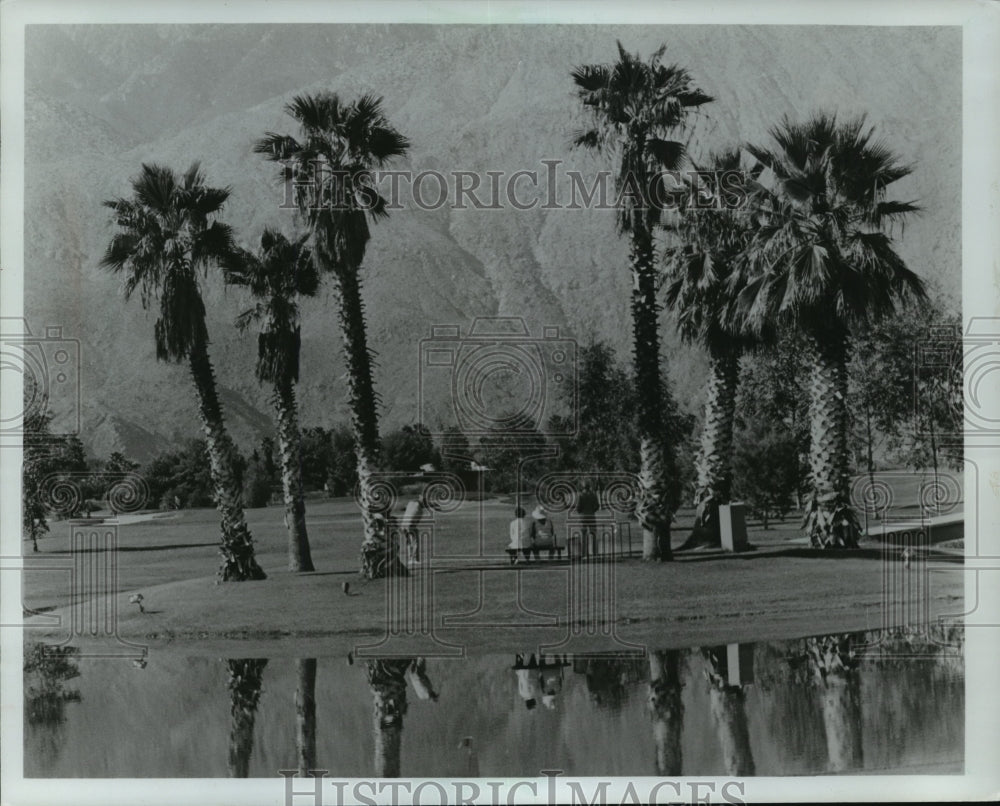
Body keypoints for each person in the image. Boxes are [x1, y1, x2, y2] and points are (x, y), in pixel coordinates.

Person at [401, 489, 429, 566]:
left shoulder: (410, 503)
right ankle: (415, 559)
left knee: (409, 543)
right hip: (410, 525)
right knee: (415, 542)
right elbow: (415, 521)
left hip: (403, 526)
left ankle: (410, 559)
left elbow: (405, 508)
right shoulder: (420, 510)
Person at [576, 480, 600, 556]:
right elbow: (597, 506)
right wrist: (592, 510)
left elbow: (578, 507)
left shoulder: (581, 495)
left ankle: (584, 553)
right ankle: (595, 552)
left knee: (583, 534)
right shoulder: (593, 495)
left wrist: (580, 511)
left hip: (583, 516)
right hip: (591, 515)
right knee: (594, 533)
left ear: (583, 487)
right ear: (589, 487)